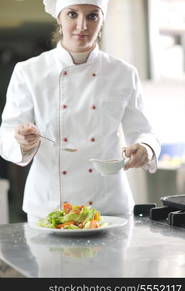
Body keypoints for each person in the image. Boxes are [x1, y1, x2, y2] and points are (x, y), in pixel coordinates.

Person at [0, 0, 160, 224]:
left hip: (108, 208)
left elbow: (144, 132)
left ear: (102, 19)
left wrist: (147, 148)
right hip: (49, 207)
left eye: (92, 16)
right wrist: (21, 141)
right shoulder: (29, 71)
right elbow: (7, 133)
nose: (82, 25)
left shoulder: (123, 73)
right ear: (59, 18)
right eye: (72, 14)